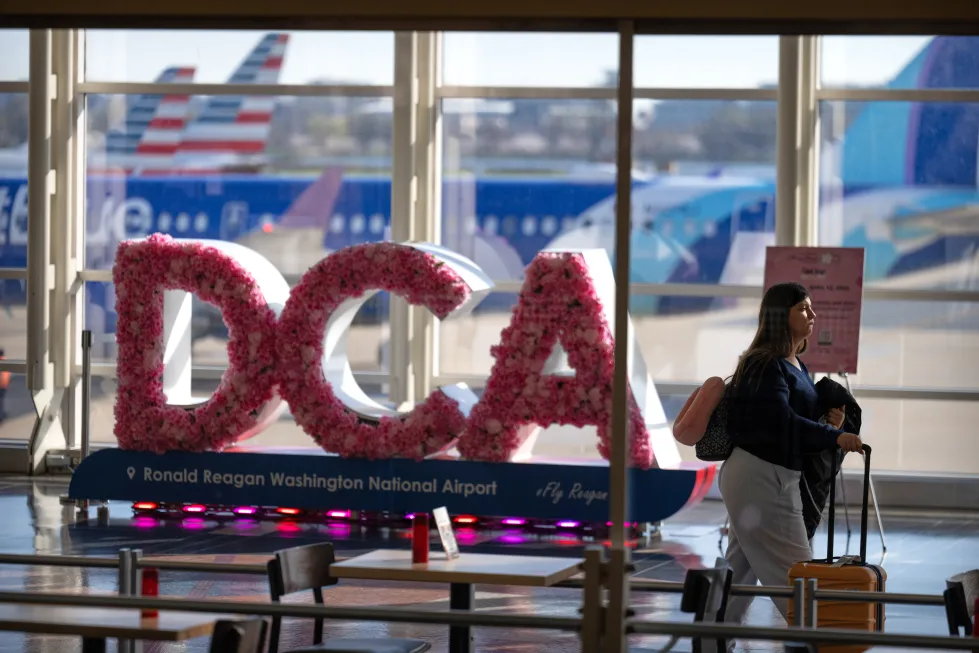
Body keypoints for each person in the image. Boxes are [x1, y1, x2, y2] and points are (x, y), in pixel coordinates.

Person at [719, 282, 862, 628]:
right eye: (802, 308)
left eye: (810, 307)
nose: (812, 314)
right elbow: (781, 423)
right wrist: (835, 436)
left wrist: (829, 425)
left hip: (762, 476)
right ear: (779, 316)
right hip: (763, 478)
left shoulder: (793, 364)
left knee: (740, 570)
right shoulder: (766, 364)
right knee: (799, 574)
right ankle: (819, 640)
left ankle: (712, 640)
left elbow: (790, 422)